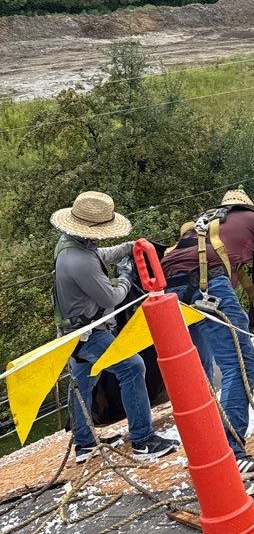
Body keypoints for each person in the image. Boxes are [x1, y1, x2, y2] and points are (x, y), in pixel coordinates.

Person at [51, 191, 173, 463]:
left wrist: (127, 248)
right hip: (91, 333)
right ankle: (143, 440)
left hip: (73, 333)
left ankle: (84, 444)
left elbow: (100, 255)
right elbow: (111, 298)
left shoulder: (69, 245)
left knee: (82, 384)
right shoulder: (80, 260)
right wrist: (127, 277)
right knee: (132, 367)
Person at [161, 188, 254, 477]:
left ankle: (209, 454)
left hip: (170, 290)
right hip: (207, 286)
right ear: (250, 208)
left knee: (200, 374)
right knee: (242, 367)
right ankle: (231, 455)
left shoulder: (208, 222)